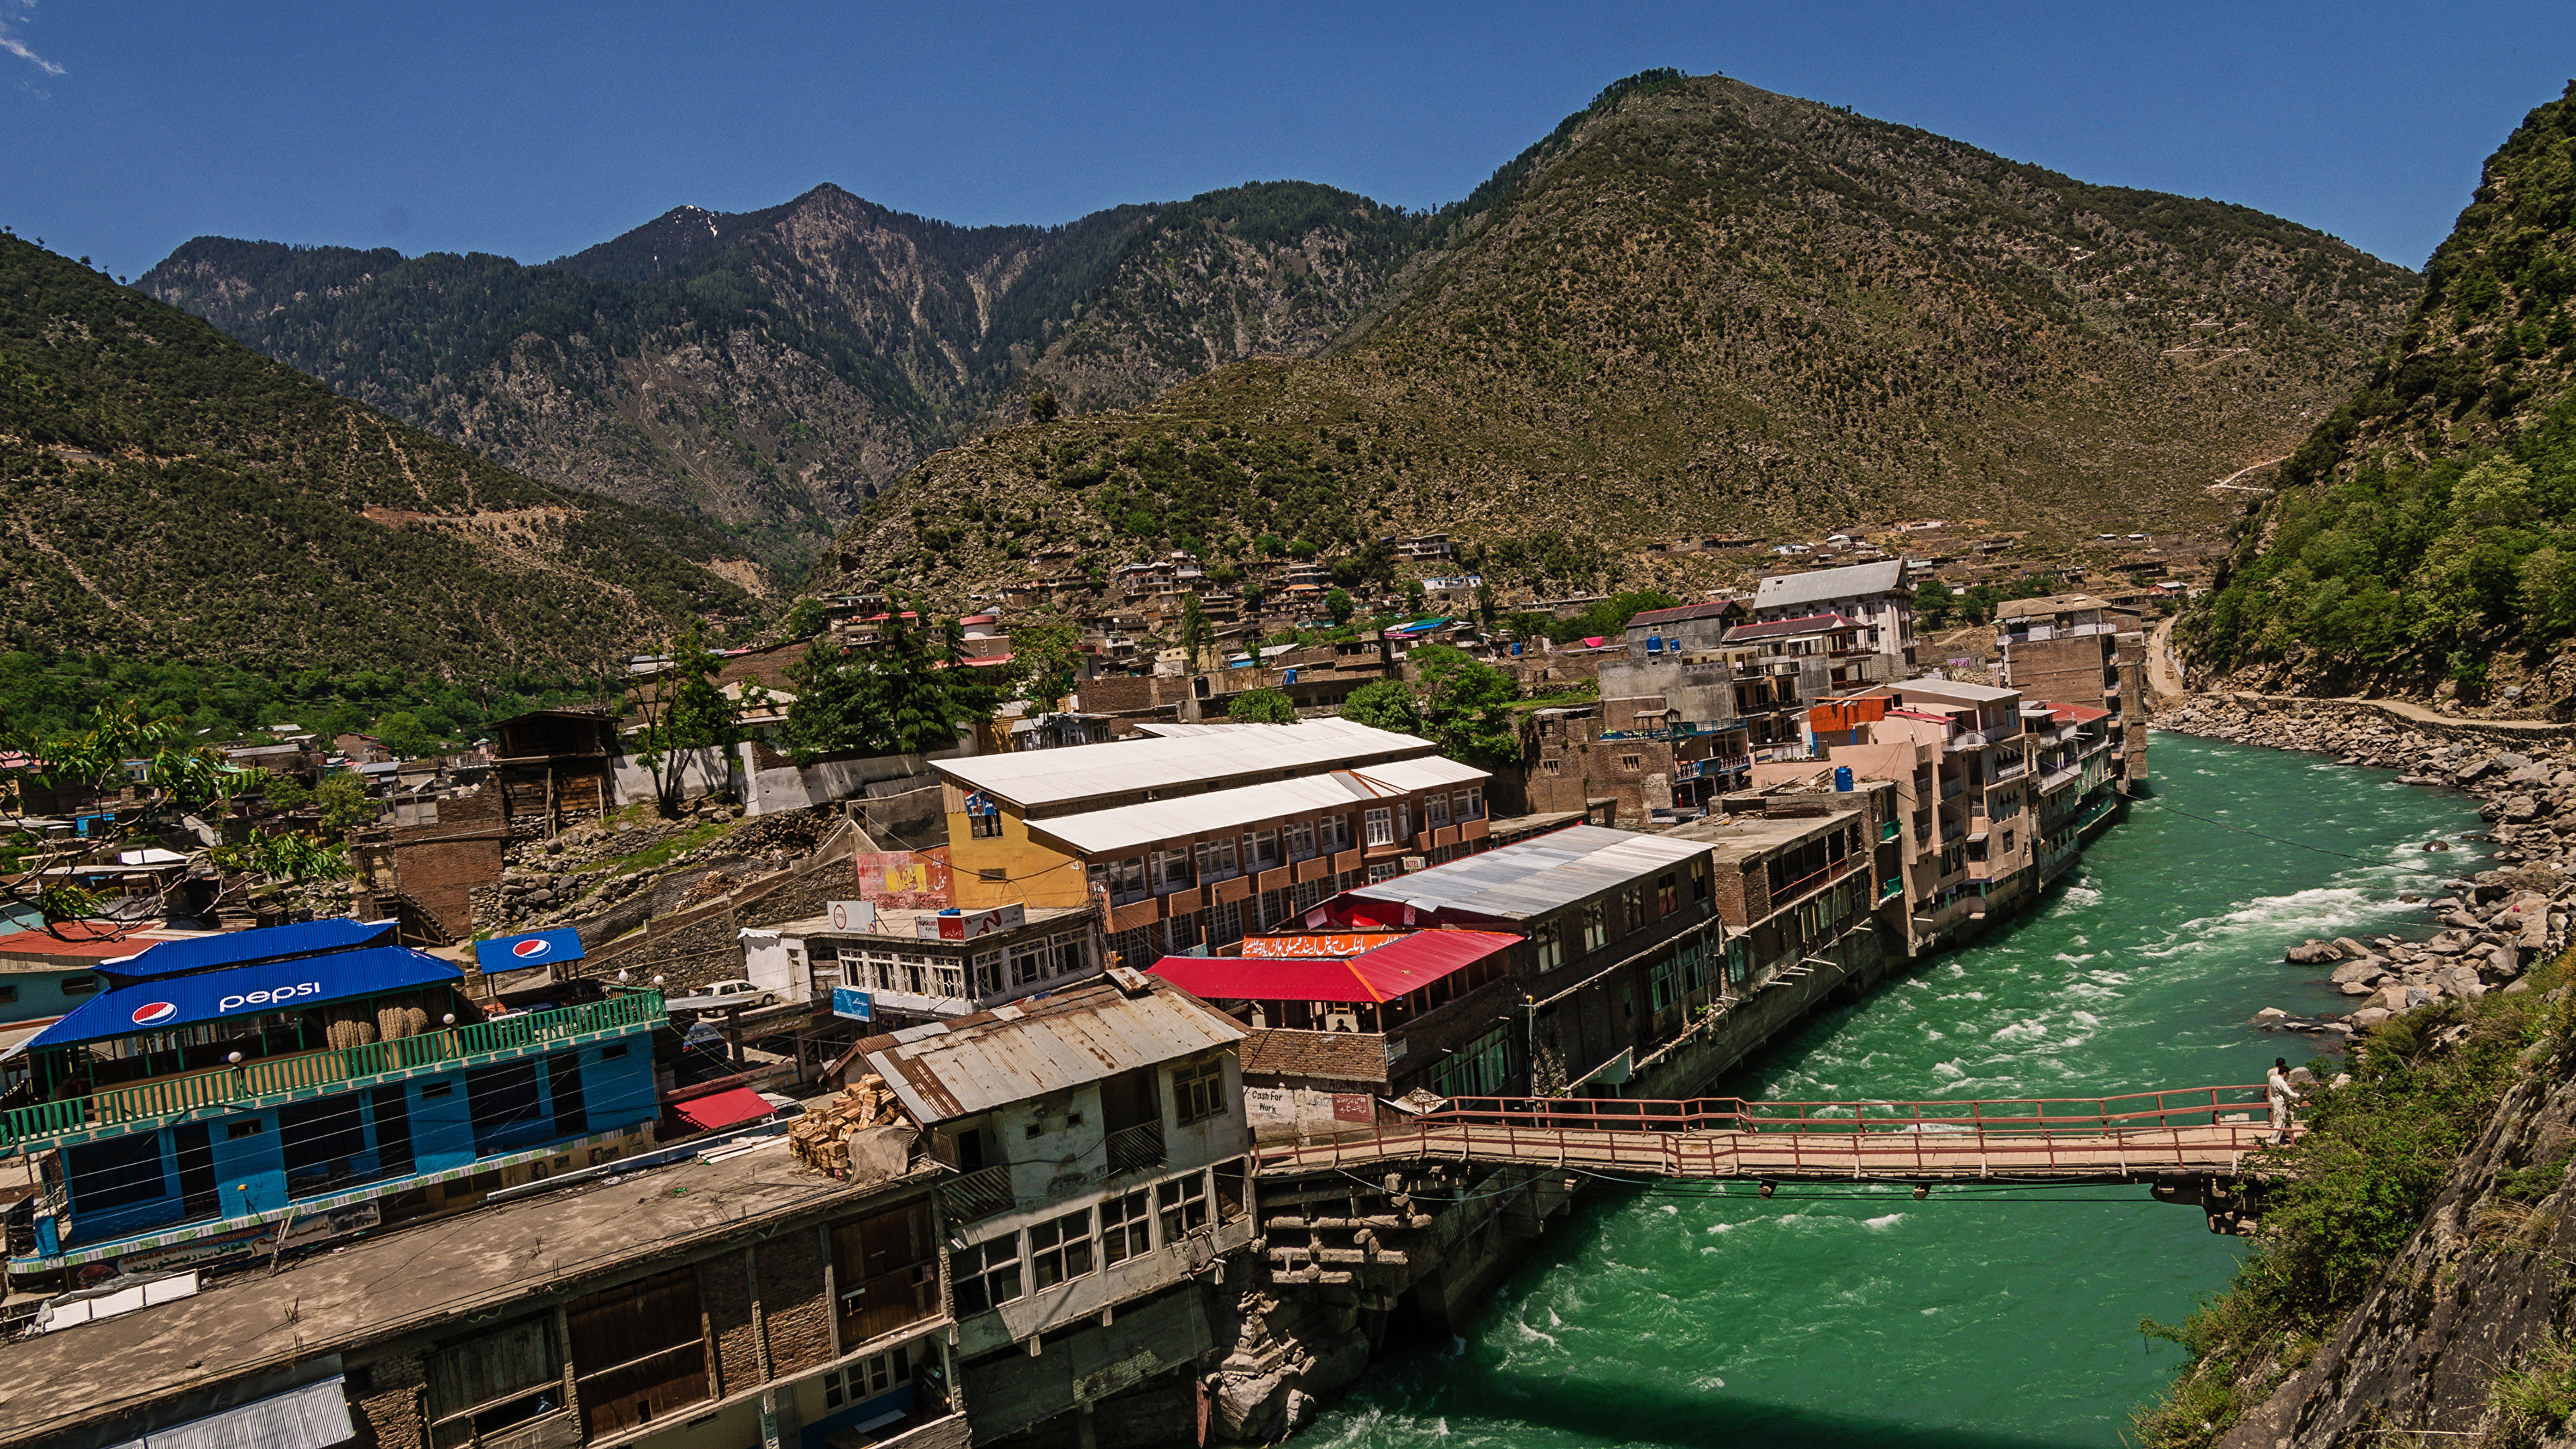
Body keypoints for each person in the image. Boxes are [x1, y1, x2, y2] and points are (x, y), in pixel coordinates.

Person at [2266, 1057, 2292, 1144]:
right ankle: (2285, 1135)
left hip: (2272, 1097)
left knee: (2276, 1117)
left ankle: (2281, 1133)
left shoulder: (2270, 1072)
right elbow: (2286, 1089)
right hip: (2281, 1099)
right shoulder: (2281, 1075)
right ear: (2284, 1064)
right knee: (2283, 1118)